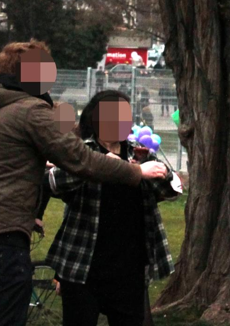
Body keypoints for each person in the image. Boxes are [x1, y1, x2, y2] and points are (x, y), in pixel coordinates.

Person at [0, 40, 168, 326]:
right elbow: (81, 161)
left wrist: (31, 214)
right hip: (5, 240)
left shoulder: (2, 107)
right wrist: (137, 172)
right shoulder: (29, 110)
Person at [46, 89, 181, 326]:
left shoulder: (138, 151)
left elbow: (170, 192)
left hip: (129, 267)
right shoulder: (82, 151)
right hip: (83, 265)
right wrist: (102, 165)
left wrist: (163, 173)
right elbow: (54, 182)